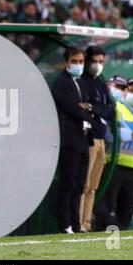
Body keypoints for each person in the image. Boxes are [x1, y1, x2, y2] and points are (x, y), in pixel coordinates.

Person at [51, 46, 94, 233]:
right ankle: (65, 224)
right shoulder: (61, 83)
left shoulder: (82, 83)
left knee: (79, 184)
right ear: (67, 62)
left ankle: (76, 224)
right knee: (68, 183)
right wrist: (86, 110)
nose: (78, 65)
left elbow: (92, 106)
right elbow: (72, 108)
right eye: (74, 61)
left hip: (83, 139)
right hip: (69, 139)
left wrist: (86, 108)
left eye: (81, 62)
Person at [102, 77, 133, 230]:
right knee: (108, 205)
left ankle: (121, 242)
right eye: (132, 90)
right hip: (116, 165)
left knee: (127, 209)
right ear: (124, 91)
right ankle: (103, 237)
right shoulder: (118, 108)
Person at [79, 46, 115, 232]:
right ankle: (78, 223)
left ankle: (87, 223)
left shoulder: (100, 84)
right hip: (89, 137)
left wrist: (94, 107)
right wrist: (96, 108)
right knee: (84, 183)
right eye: (95, 61)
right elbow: (85, 107)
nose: (98, 65)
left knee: (93, 186)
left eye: (101, 62)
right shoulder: (82, 82)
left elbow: (110, 110)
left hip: (101, 138)